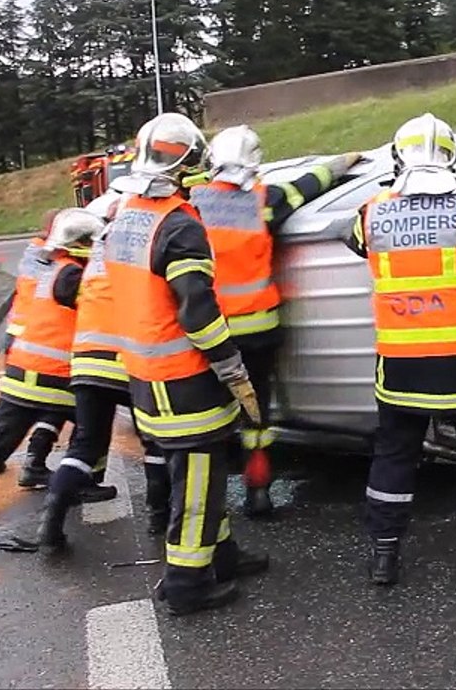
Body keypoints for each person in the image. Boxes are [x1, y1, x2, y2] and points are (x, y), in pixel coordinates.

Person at [342, 112, 456, 586]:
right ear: (450, 156)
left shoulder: (372, 211)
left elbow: (354, 242)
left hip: (401, 366)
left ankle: (384, 554)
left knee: (394, 455)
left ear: (398, 156)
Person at [102, 112, 269, 615]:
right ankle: (186, 585)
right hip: (184, 378)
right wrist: (231, 364)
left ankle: (223, 556)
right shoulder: (177, 224)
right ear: (190, 166)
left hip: (144, 374)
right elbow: (197, 309)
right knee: (197, 482)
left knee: (205, 472)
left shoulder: (125, 214)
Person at [192, 125, 363, 518]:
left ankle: (203, 502)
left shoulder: (192, 206)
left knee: (211, 414)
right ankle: (258, 493)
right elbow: (309, 184)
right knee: (257, 413)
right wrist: (340, 163)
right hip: (259, 331)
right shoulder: (263, 201)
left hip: (210, 334)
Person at [0, 208, 104, 529]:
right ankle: (83, 482)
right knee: (95, 427)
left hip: (21, 373)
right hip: (61, 377)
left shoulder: (45, 271)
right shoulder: (75, 276)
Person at [34, 193, 133, 548]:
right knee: (156, 438)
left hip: (86, 363)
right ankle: (160, 514)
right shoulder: (129, 258)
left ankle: (53, 516)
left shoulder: (87, 269)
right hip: (126, 361)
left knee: (84, 444)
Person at [0, 209, 69, 485]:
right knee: (56, 402)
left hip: (21, 336)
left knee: (13, 410)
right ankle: (35, 461)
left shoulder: (35, 251)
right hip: (37, 338)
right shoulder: (53, 259)